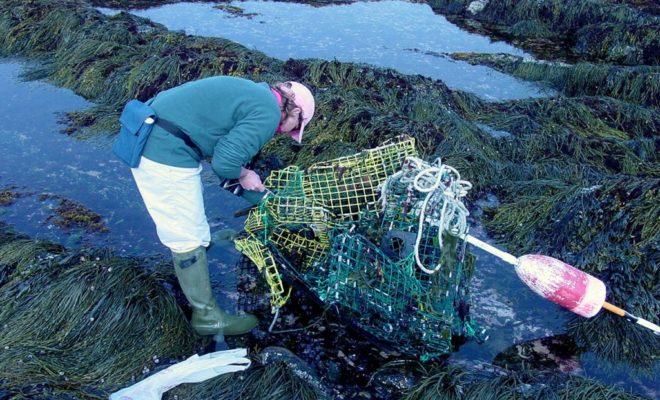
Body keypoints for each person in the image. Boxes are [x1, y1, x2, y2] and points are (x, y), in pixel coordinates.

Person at [129, 76, 315, 337]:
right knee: (184, 234)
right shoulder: (267, 113)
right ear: (294, 109)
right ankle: (206, 317)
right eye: (295, 126)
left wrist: (264, 200)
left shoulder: (254, 95)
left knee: (189, 215)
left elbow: (222, 164)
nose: (285, 133)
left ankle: (205, 245)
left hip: (151, 130)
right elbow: (226, 165)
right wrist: (243, 173)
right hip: (161, 150)